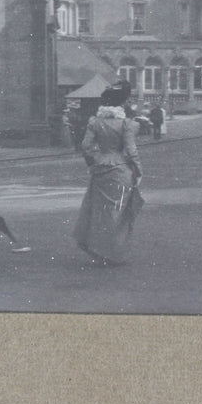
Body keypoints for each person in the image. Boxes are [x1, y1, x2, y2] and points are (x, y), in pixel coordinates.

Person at [73, 80, 144, 266]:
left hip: (101, 168)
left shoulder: (95, 122)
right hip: (121, 169)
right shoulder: (126, 124)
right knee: (118, 213)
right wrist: (138, 170)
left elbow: (86, 147)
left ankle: (100, 251)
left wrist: (95, 162)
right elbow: (130, 150)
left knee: (100, 212)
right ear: (122, 102)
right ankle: (113, 252)